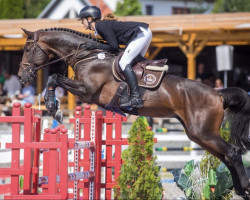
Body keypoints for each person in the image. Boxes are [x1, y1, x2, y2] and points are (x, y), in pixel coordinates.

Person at [78, 6, 152, 109]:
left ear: (89, 19)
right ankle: (136, 94)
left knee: (124, 62)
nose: (82, 23)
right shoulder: (101, 26)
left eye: (83, 20)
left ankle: (136, 97)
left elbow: (113, 47)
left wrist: (95, 45)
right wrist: (97, 44)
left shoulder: (100, 26)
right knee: (134, 64)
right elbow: (114, 45)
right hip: (143, 32)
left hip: (140, 34)